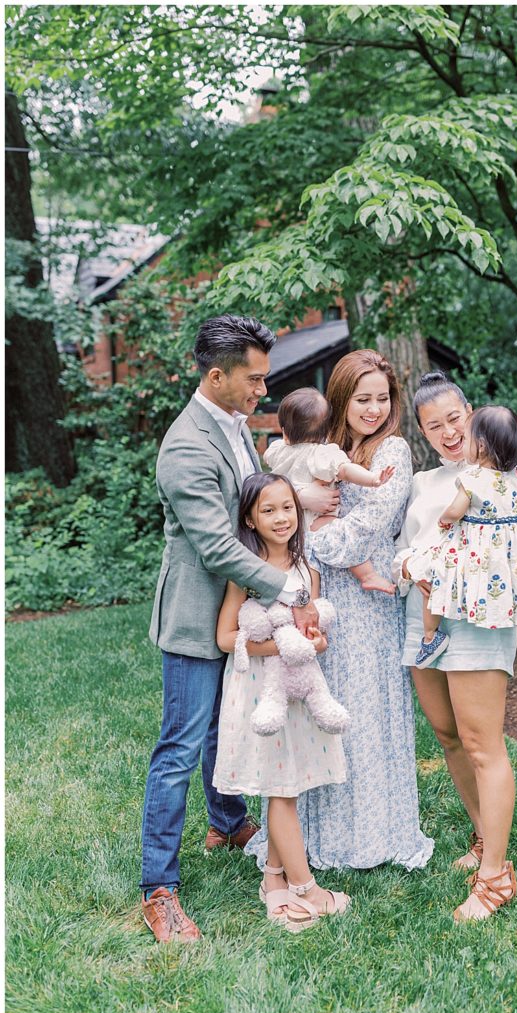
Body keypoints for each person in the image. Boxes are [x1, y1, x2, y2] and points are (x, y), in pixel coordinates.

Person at [141, 314, 329, 943]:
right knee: (180, 747)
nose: (262, 391)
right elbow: (220, 547)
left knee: (231, 728)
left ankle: (225, 821)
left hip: (244, 610)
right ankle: (158, 888)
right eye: (253, 380)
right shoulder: (186, 447)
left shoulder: (236, 427)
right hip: (199, 619)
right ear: (216, 376)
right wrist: (290, 587)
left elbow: (259, 499)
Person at [249, 350, 434, 871]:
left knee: (362, 714)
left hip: (367, 606)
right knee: (313, 710)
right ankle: (304, 834)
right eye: (362, 399)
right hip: (316, 594)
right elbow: (282, 505)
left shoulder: (391, 451)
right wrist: (303, 514)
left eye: (382, 399)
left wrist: (312, 528)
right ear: (341, 399)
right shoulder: (323, 447)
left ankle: (367, 835)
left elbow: (362, 532)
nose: (373, 409)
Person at [393, 372, 517, 922]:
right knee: (448, 735)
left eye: (454, 418)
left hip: (476, 619)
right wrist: (410, 569)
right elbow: (400, 552)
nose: (448, 432)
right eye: (433, 425)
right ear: (422, 431)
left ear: (470, 411)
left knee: (481, 741)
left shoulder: (502, 474)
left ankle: (495, 877)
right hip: (419, 618)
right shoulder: (421, 483)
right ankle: (481, 836)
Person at [213, 472, 350, 932]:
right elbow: (226, 635)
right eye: (268, 510)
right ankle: (304, 886)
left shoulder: (307, 570)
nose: (281, 517)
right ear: (250, 517)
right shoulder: (247, 574)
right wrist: (279, 647)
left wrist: (314, 643)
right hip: (261, 693)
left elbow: (314, 632)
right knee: (282, 790)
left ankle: (273, 879)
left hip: (299, 692)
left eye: (287, 507)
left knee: (286, 781)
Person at [409, 405, 517, 666]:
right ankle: (502, 611)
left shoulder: (473, 477)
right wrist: (511, 510)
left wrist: (445, 519)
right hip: (504, 551)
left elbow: (456, 510)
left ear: (480, 446)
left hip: (474, 545)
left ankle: (429, 637)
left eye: (467, 439)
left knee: (433, 576)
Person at [264, 386, 396, 594]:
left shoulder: (277, 451)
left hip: (291, 522)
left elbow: (269, 465)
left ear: (284, 432)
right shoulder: (322, 454)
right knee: (336, 529)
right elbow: (346, 470)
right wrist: (372, 479)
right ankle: (367, 575)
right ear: (326, 431)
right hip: (316, 520)